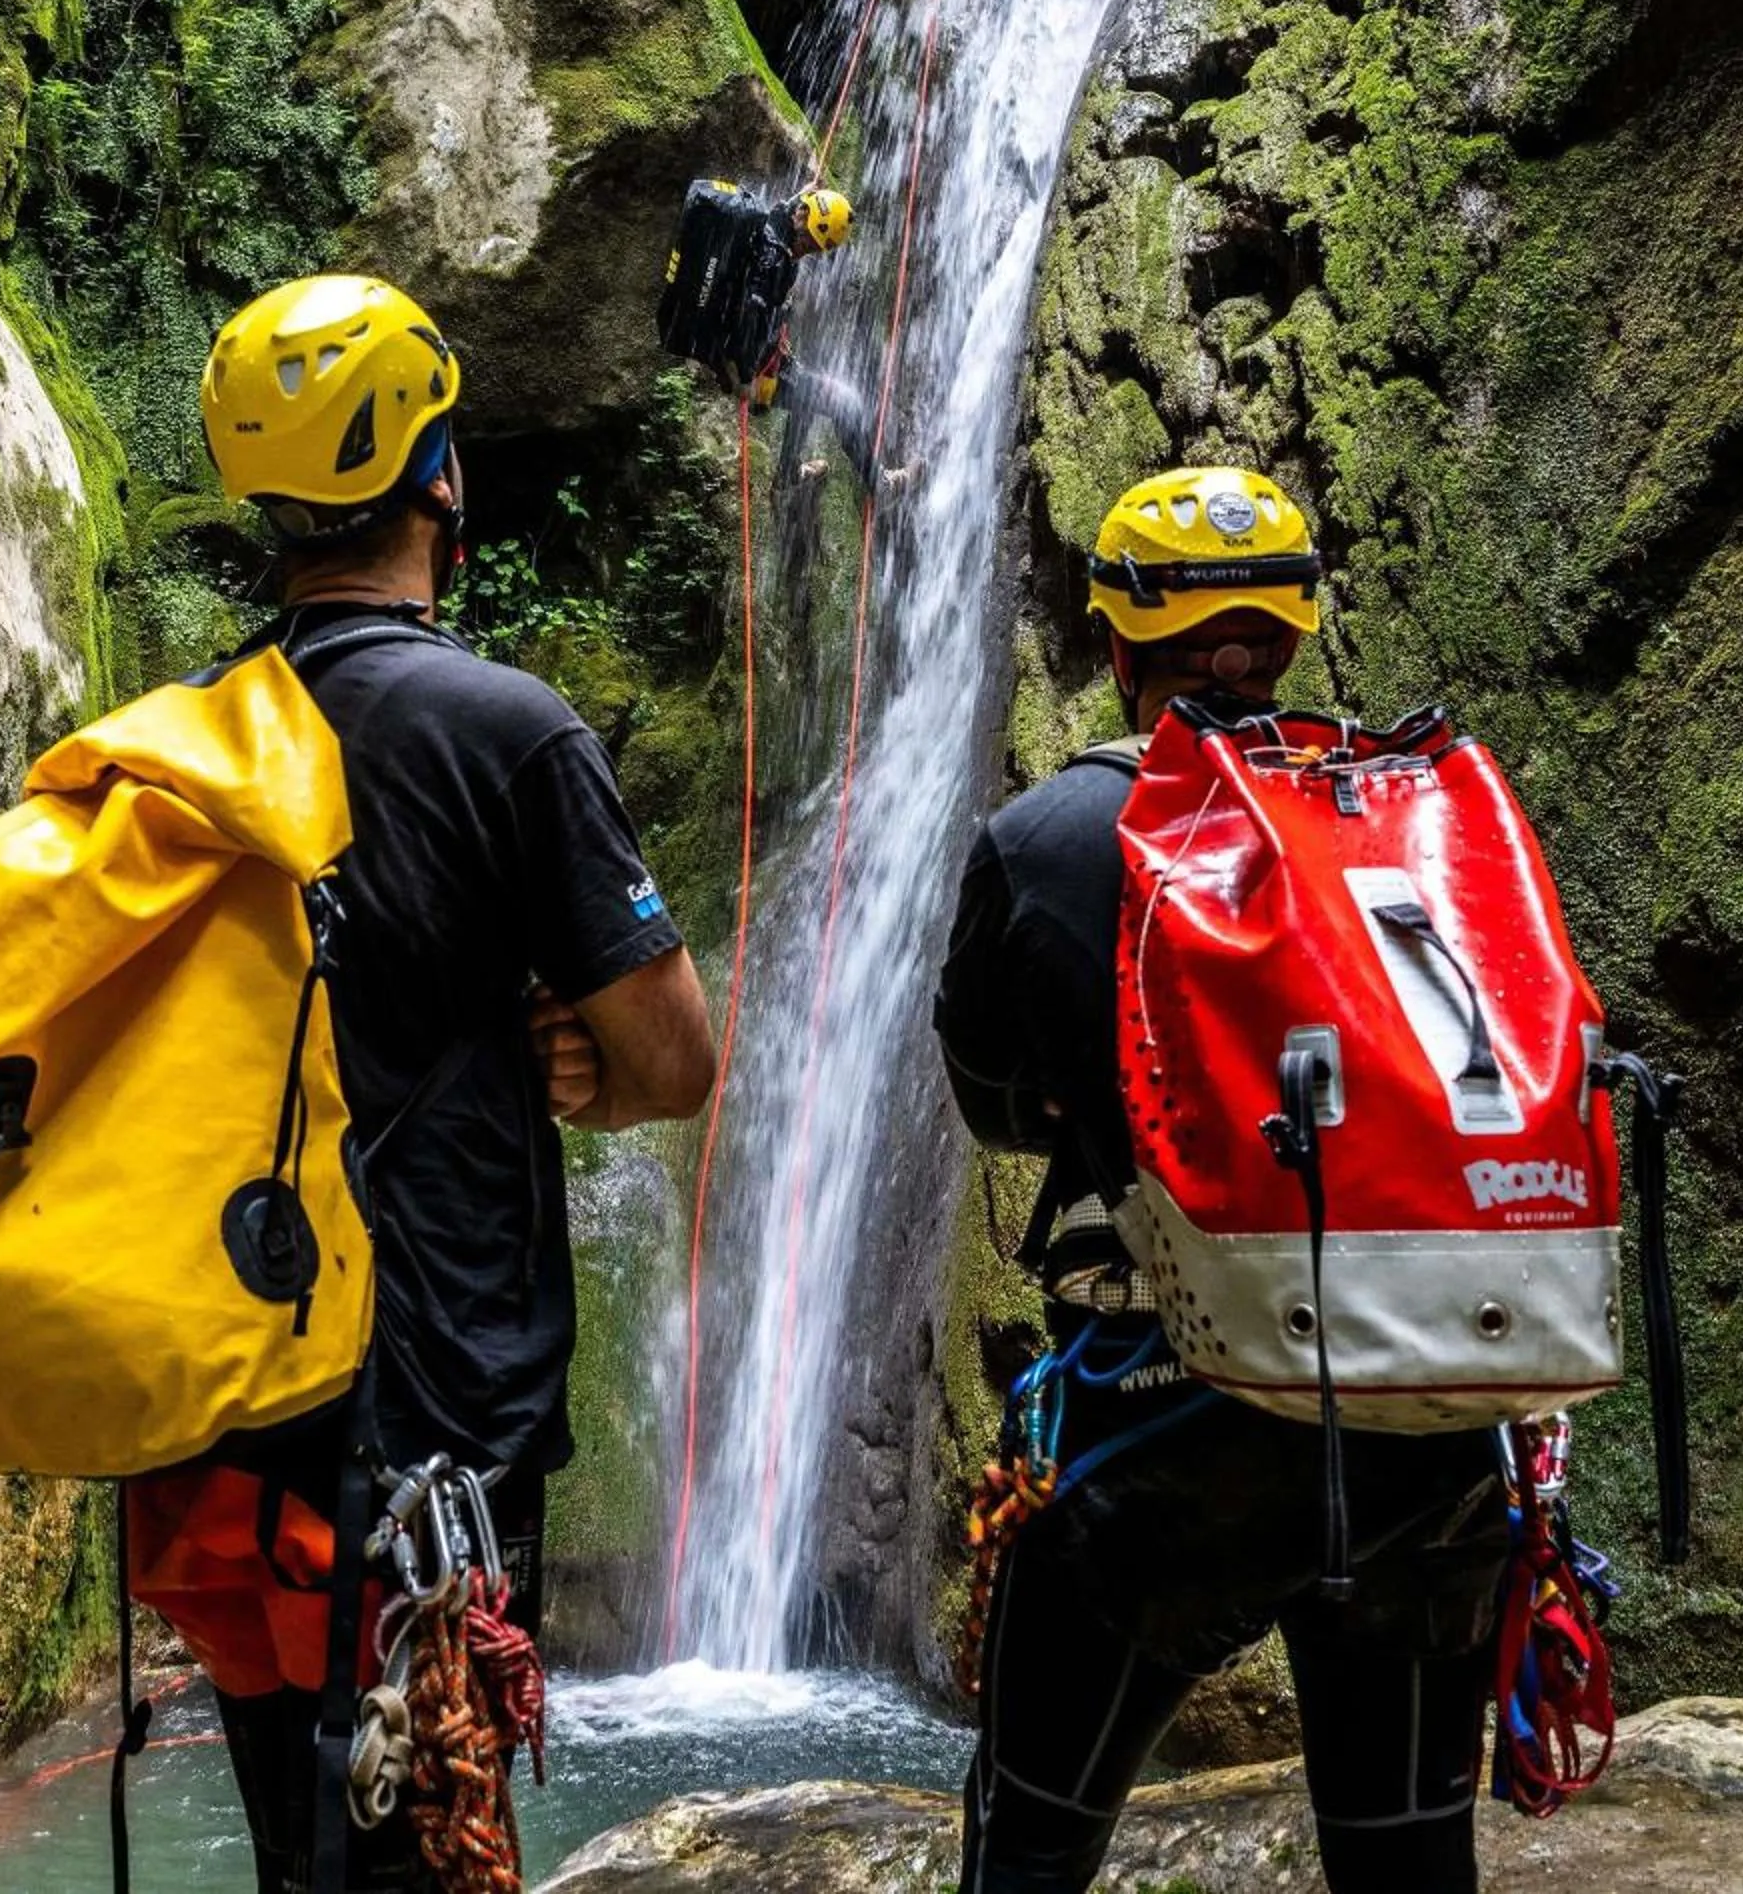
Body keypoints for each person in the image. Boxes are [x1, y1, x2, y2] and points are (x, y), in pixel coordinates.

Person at [131, 273, 719, 1893]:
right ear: (434, 473)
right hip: (430, 1414)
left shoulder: (188, 740)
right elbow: (676, 1060)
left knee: (305, 1848)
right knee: (418, 1841)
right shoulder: (505, 735)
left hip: (237, 1408)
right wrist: (587, 1074)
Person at [933, 465, 1510, 1894]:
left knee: (1030, 1845)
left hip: (1165, 1424)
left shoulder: (1055, 840)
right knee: (1409, 1863)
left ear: (1119, 642)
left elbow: (999, 1105)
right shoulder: (1429, 815)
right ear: (1300, 627)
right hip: (1425, 1419)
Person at [657, 179, 903, 495]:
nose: (805, 250)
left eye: (813, 247)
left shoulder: (772, 225)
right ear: (801, 216)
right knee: (847, 405)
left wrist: (803, 195)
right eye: (807, 242)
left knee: (810, 389)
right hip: (753, 371)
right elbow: (752, 313)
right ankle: (880, 486)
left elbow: (781, 214)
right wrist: (745, 377)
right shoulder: (777, 262)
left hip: (754, 356)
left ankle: (788, 472)